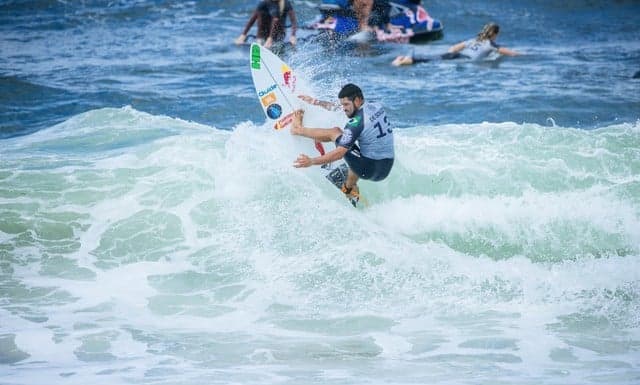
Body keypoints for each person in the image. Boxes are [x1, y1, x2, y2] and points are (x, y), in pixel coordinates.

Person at [291, 84, 395, 202]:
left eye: (346, 105)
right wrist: (315, 102)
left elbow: (339, 153)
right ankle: (349, 188)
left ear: (357, 100)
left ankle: (297, 129)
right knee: (359, 150)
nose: (344, 108)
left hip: (368, 170)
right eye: (342, 104)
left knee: (336, 132)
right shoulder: (376, 106)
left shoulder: (355, 124)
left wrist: (311, 161)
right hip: (386, 166)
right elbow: (338, 108)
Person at [392, 22, 520, 66]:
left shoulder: (474, 40)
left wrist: (450, 53)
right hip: (463, 58)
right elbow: (511, 53)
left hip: (456, 54)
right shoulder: (492, 45)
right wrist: (525, 55)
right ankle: (405, 60)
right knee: (430, 61)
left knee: (433, 58)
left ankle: (406, 58)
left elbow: (454, 48)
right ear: (494, 34)